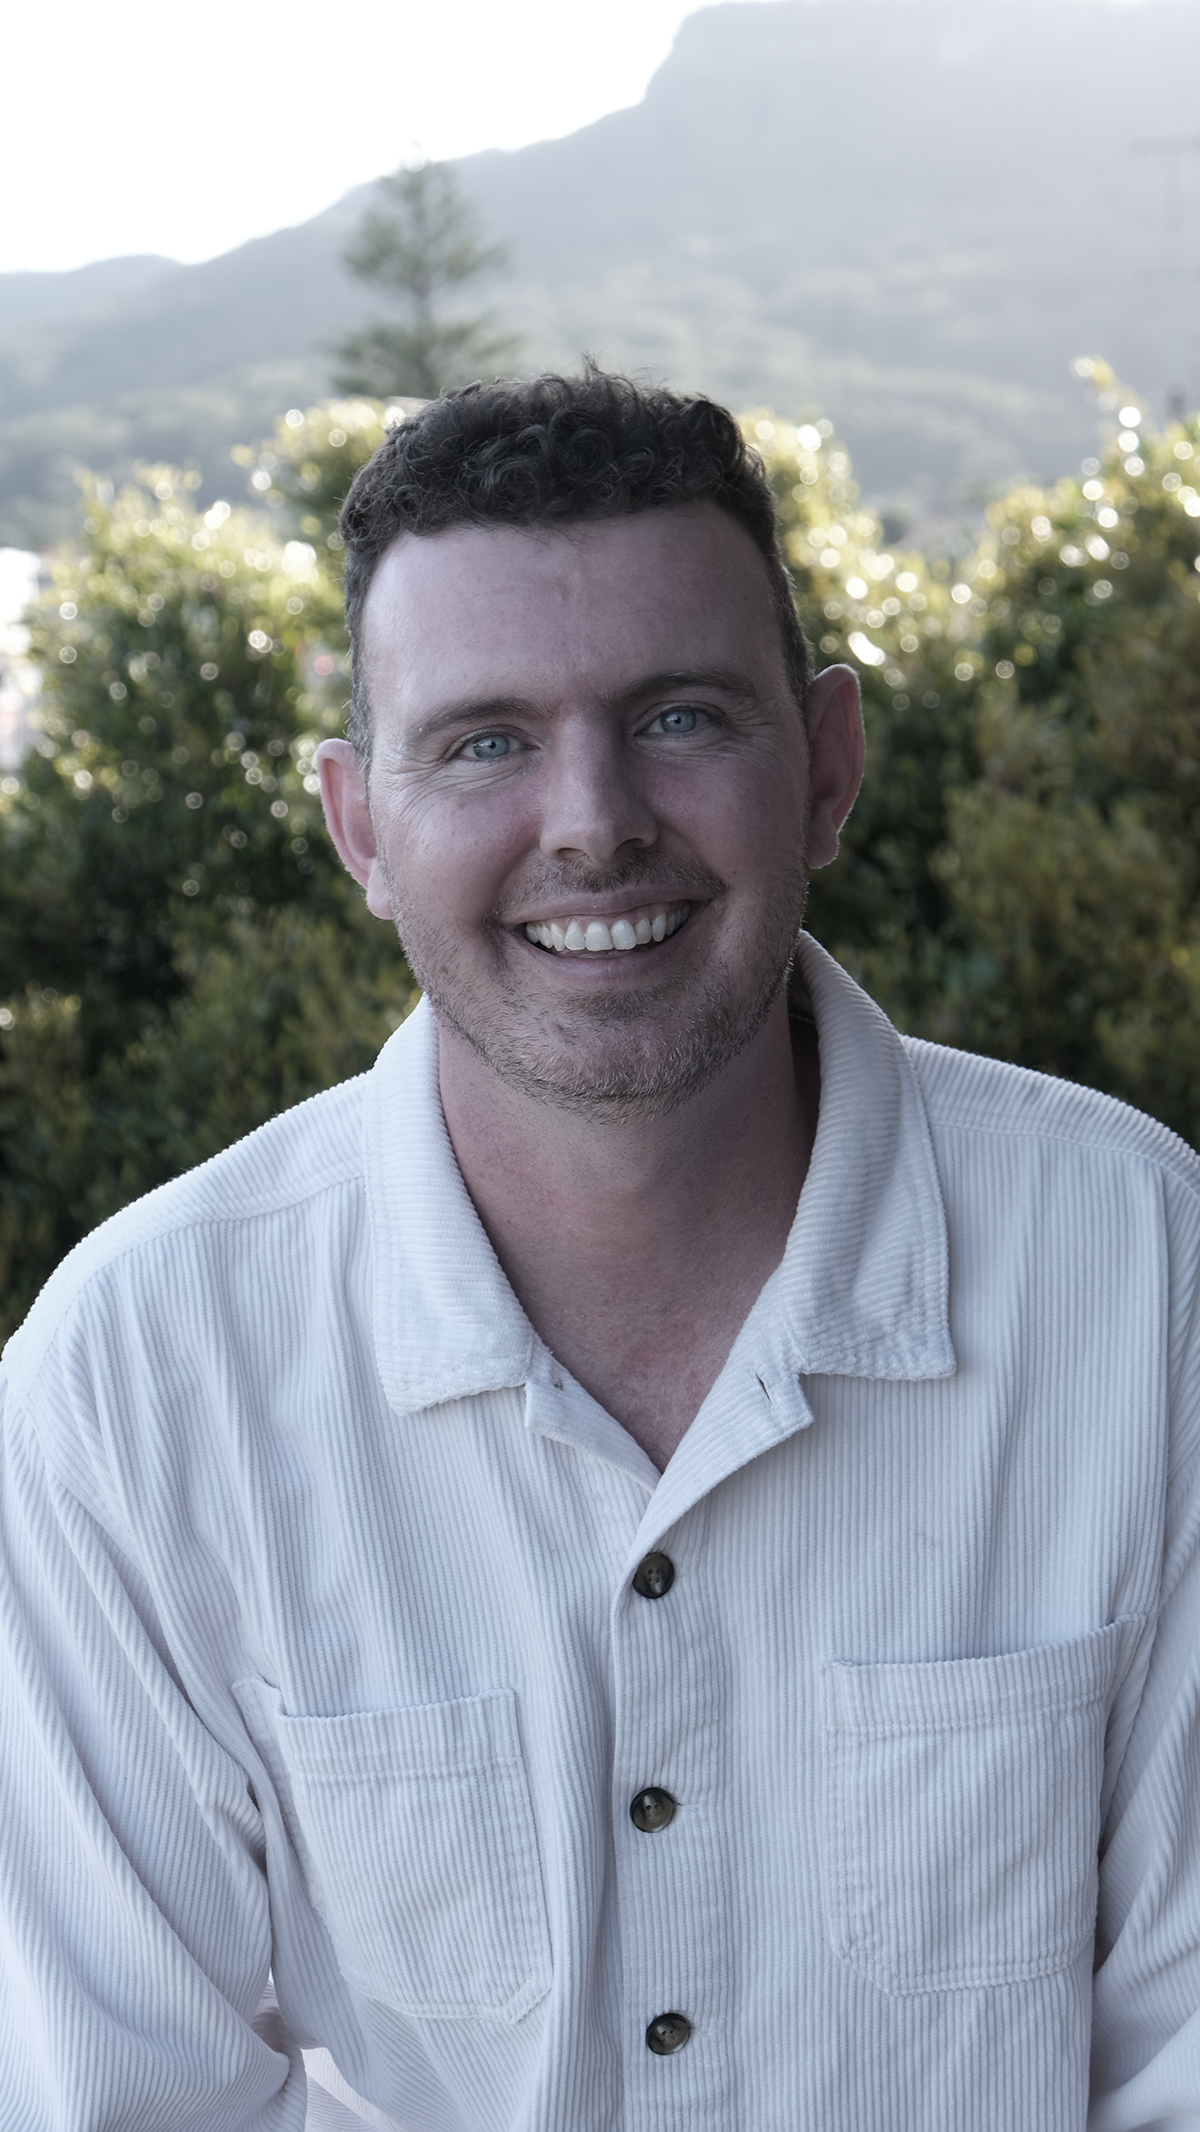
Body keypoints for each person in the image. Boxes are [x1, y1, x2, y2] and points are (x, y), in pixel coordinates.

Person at [2, 369, 1200, 2132]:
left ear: (830, 768)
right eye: (484, 739)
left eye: (682, 716)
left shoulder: (1147, 1277)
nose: (590, 820)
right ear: (359, 827)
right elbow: (121, 2099)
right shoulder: (134, 1380)